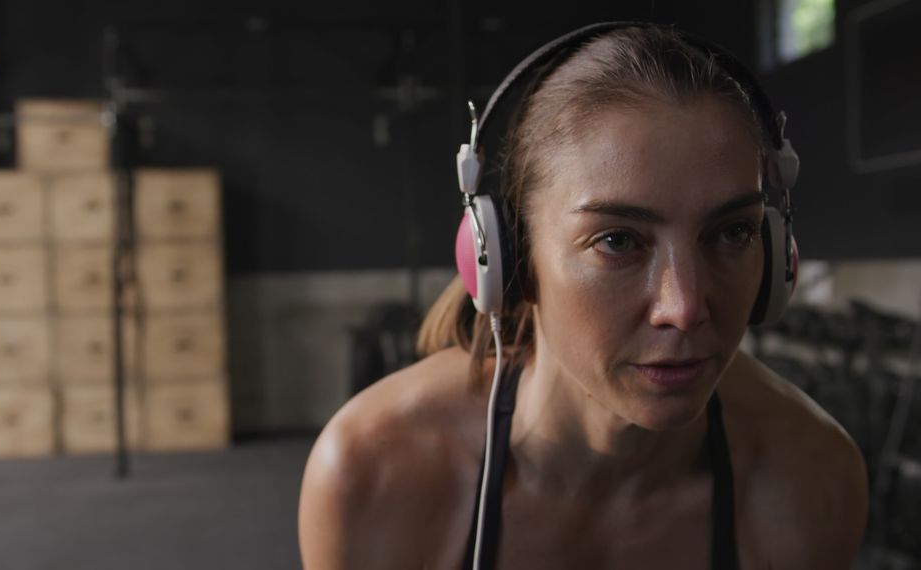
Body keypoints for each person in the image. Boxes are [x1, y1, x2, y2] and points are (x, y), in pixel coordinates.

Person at [298, 23, 868, 569]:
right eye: (617, 240)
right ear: (510, 261)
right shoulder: (375, 474)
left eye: (732, 232)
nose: (686, 307)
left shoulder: (809, 475)